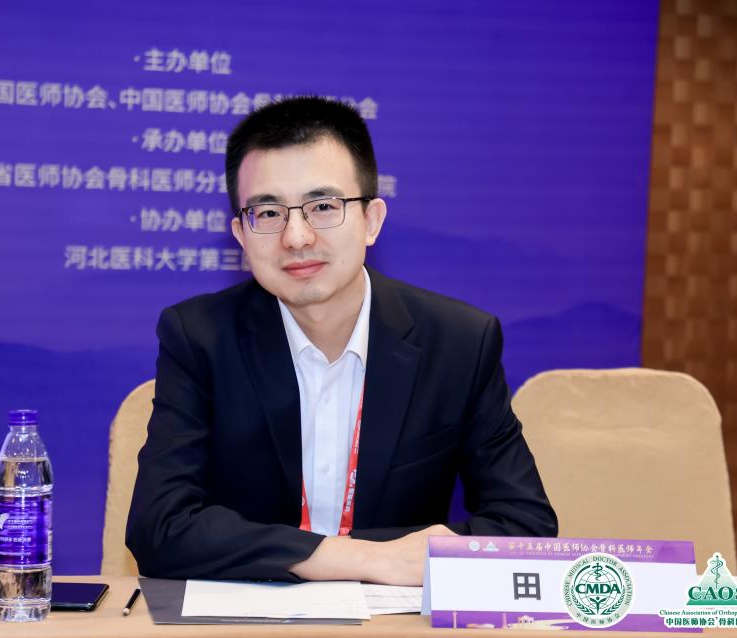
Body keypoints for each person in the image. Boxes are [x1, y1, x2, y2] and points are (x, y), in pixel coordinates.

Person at [126, 96, 556, 586]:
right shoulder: (199, 336)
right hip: (250, 618)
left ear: (372, 220)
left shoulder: (458, 342)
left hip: (397, 622)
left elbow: (525, 528)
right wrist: (367, 559)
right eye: (268, 212)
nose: (296, 237)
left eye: (323, 207)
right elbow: (159, 529)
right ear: (241, 235)